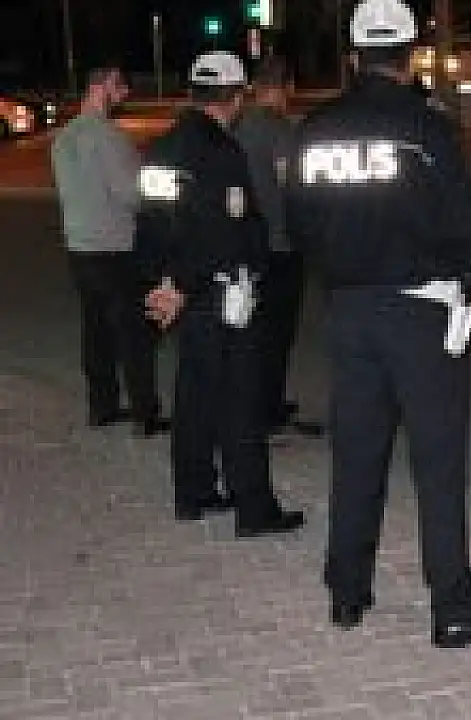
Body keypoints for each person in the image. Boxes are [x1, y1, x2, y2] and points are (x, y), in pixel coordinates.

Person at [285, 0, 471, 647]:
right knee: (437, 463)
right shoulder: (427, 129)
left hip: (348, 312)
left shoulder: (316, 130)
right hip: (421, 315)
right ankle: (453, 606)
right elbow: (467, 226)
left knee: (356, 455)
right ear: (410, 53)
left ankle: (346, 591)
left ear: (354, 55)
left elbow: (298, 225)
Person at [135, 51, 305, 537]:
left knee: (194, 393)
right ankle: (254, 508)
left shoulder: (162, 147)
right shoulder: (221, 152)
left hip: (182, 291)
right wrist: (183, 283)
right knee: (241, 401)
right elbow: (219, 231)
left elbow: (151, 223)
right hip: (217, 289)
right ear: (234, 97)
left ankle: (193, 491)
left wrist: (159, 284)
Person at [50, 66, 167, 436]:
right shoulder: (110, 137)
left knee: (95, 330)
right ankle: (145, 414)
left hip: (79, 246)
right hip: (115, 247)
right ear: (101, 87)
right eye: (120, 87)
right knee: (134, 333)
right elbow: (131, 194)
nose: (124, 94)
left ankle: (101, 406)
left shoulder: (63, 138)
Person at [231, 59, 316, 435]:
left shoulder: (238, 127)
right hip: (280, 245)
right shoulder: (281, 130)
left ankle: (250, 403)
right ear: (286, 88)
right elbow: (290, 185)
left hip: (246, 243)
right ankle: (268, 408)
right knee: (278, 333)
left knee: (252, 328)